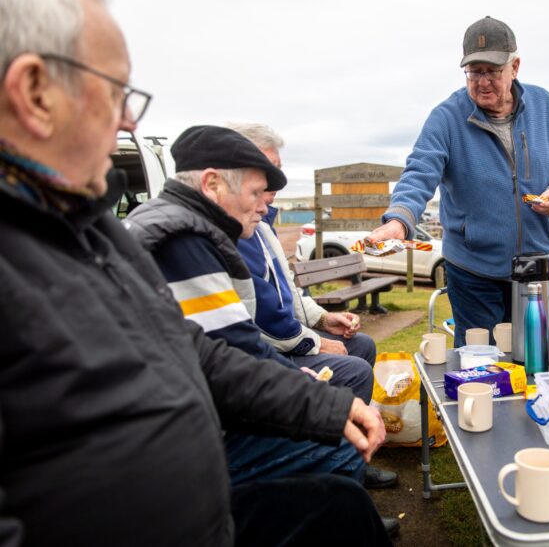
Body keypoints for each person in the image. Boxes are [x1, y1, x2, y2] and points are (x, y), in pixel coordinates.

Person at [0, 0, 390, 545]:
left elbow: (193, 350)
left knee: (341, 512)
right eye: (116, 92)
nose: (130, 123)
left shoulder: (91, 231)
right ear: (35, 92)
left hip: (204, 500)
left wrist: (321, 407)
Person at [124, 125, 400, 531]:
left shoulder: (176, 225)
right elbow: (226, 361)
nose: (264, 206)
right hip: (182, 442)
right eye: (255, 193)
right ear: (213, 184)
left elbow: (225, 346)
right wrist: (311, 398)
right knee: (340, 447)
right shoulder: (184, 242)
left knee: (338, 467)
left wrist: (293, 377)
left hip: (180, 418)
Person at [367, 16, 549, 347]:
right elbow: (420, 169)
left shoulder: (545, 106)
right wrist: (400, 220)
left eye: (492, 71)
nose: (482, 82)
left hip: (535, 267)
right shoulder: (446, 117)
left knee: (536, 361)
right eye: (474, 72)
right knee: (480, 368)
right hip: (473, 271)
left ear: (515, 66)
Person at [228, 121, 397, 490]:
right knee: (354, 370)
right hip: (270, 352)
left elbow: (287, 290)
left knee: (362, 344)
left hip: (281, 344)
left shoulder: (264, 224)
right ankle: (341, 464)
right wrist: (315, 342)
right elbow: (264, 315)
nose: (277, 178)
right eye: (267, 168)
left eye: (279, 167)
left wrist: (324, 318)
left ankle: (351, 456)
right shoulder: (238, 229)